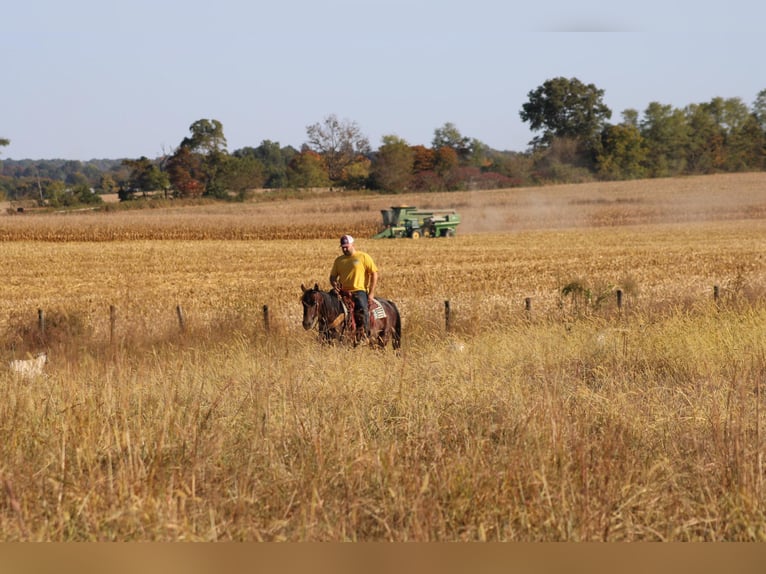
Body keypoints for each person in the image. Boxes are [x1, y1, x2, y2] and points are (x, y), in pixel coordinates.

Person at [329, 234, 378, 339]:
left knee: (362, 309)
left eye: (347, 246)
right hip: (342, 291)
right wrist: (334, 284)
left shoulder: (363, 257)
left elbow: (374, 273)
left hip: (358, 291)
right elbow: (332, 277)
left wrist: (371, 293)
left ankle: (365, 334)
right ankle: (326, 332)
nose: (345, 249)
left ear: (352, 244)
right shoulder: (339, 260)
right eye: (343, 247)